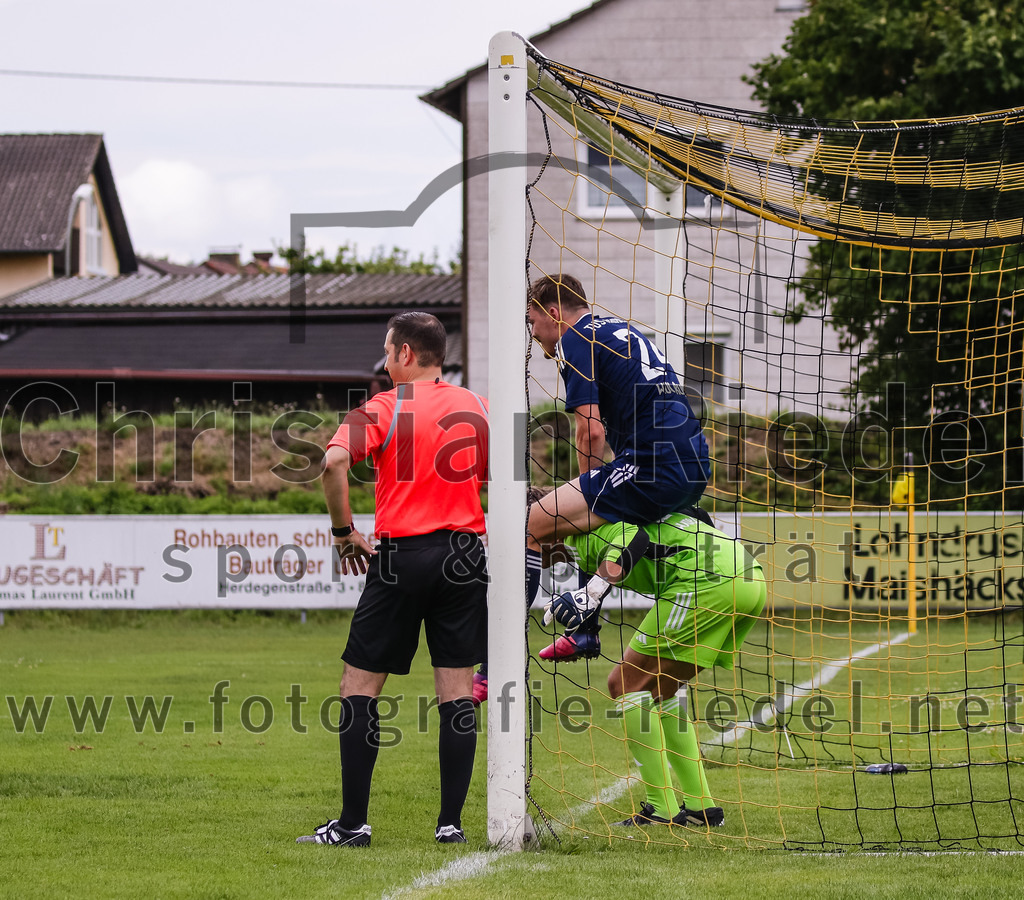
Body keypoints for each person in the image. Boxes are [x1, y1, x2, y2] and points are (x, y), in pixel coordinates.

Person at [298, 311, 489, 848]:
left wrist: (343, 532)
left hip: (402, 556)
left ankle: (353, 824)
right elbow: (515, 473)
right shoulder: (479, 408)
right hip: (463, 554)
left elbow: (333, 463)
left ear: (405, 354)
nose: (385, 362)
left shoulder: (381, 407)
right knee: (455, 691)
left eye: (387, 351)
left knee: (358, 686)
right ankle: (450, 825)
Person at [474, 273, 710, 703]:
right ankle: (584, 632)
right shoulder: (620, 329)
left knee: (531, 524)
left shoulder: (575, 339)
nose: (533, 334)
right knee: (587, 518)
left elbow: (589, 432)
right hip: (694, 464)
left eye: (531, 322)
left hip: (653, 466)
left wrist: (586, 483)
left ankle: (495, 665)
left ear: (551, 312)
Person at [545, 509, 766, 829]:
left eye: (529, 537)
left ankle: (662, 807)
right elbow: (700, 516)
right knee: (663, 690)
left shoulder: (590, 532)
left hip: (705, 583)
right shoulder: (611, 511)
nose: (529, 548)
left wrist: (589, 594)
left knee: (622, 684)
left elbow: (634, 538)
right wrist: (584, 636)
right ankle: (701, 805)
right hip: (749, 577)